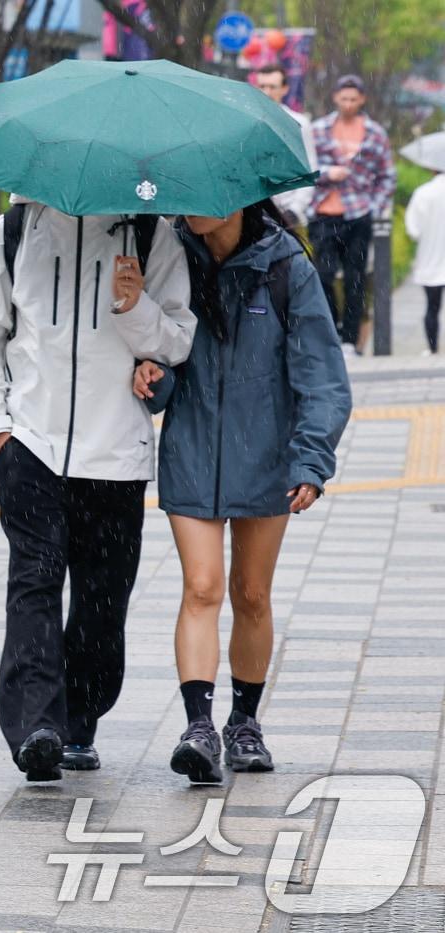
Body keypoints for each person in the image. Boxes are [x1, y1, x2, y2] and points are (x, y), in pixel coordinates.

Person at [0, 200, 196, 781]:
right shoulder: (16, 230)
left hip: (116, 454)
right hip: (30, 447)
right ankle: (36, 726)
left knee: (101, 600)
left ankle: (79, 723)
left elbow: (177, 341)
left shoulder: (151, 235)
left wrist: (135, 306)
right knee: (34, 582)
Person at [134, 199, 351, 784]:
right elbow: (159, 352)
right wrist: (153, 378)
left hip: (267, 460)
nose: (188, 207)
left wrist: (310, 461)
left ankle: (244, 723)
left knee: (251, 593)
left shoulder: (285, 266)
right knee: (201, 587)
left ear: (240, 198)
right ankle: (198, 728)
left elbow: (324, 379)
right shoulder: (168, 254)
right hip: (193, 451)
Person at [308, 75, 396, 357]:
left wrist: (376, 204)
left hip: (358, 212)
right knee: (322, 275)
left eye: (353, 99)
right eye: (343, 98)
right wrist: (327, 173)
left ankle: (349, 340)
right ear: (335, 98)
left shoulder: (375, 133)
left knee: (355, 279)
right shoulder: (318, 129)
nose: (348, 104)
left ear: (362, 100)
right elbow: (305, 168)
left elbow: (387, 175)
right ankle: (330, 333)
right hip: (324, 212)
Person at [252, 64, 317, 229]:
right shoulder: (247, 122)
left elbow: (310, 168)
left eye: (272, 87)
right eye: (262, 86)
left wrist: (295, 209)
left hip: (288, 210)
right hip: (253, 209)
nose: (267, 92)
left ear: (284, 89)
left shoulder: (299, 123)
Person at [404, 168, 445, 355]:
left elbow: (413, 230)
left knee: (432, 307)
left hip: (430, 260)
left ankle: (432, 347)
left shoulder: (423, 193)